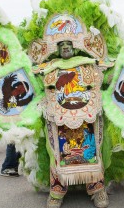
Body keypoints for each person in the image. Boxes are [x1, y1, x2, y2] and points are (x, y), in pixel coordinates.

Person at [44, 41, 108, 208]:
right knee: (58, 154)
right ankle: (57, 192)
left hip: (87, 119)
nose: (65, 47)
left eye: (68, 43)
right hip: (59, 120)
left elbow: (101, 82)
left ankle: (97, 189)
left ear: (75, 46)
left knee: (92, 152)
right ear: (56, 48)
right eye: (61, 44)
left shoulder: (87, 65)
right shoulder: (50, 67)